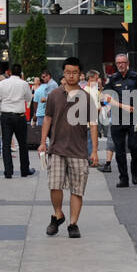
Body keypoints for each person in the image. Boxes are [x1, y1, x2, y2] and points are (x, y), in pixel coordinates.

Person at [39, 57, 100, 239]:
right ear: (63, 73)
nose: (71, 75)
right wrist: (43, 141)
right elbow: (48, 119)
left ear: (80, 74)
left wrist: (95, 150)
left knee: (77, 189)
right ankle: (58, 214)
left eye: (74, 72)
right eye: (68, 72)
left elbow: (94, 124)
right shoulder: (54, 95)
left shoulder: (87, 97)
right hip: (56, 148)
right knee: (54, 186)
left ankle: (73, 224)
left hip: (79, 151)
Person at [104, 53, 137, 187]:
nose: (121, 65)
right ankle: (123, 178)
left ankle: (134, 171)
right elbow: (105, 97)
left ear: (127, 63)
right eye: (118, 63)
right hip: (117, 118)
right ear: (116, 65)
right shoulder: (112, 79)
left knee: (135, 147)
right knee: (119, 150)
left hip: (134, 117)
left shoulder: (136, 77)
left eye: (123, 62)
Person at [0, 64, 34, 178]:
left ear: (9, 72)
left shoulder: (3, 83)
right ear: (21, 73)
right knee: (23, 144)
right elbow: (29, 98)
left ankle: (8, 171)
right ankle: (24, 170)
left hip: (6, 115)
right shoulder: (24, 84)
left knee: (6, 144)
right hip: (19, 116)